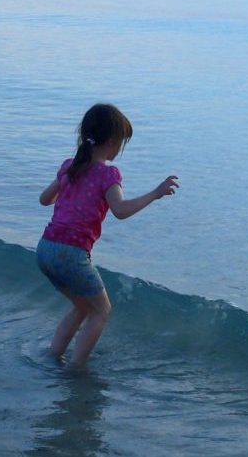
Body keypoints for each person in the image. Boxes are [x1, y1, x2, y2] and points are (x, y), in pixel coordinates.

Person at [37, 103, 179, 369]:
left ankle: (53, 355)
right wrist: (155, 193)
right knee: (102, 311)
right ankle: (76, 369)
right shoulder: (107, 174)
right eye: (121, 143)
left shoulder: (70, 166)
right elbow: (121, 210)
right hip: (71, 253)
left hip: (45, 249)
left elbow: (45, 199)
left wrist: (69, 191)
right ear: (112, 142)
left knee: (83, 307)